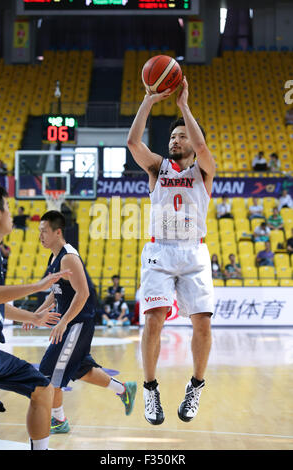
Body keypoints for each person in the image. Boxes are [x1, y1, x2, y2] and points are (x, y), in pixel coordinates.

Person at [127, 76, 215, 425]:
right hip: (159, 251)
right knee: (153, 320)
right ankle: (151, 390)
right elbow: (133, 141)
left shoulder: (203, 171)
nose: (175, 140)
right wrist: (149, 99)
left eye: (181, 136)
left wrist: (183, 107)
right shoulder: (157, 168)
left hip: (194, 252)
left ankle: (195, 386)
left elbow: (205, 149)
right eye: (172, 137)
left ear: (192, 144)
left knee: (203, 325)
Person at [33, 210, 137, 434]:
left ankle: (59, 421)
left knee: (49, 373)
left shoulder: (68, 257)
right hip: (71, 323)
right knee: (81, 368)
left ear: (57, 232)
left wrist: (63, 322)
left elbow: (82, 294)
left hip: (77, 323)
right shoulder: (54, 257)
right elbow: (57, 291)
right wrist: (37, 314)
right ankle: (124, 390)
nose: (40, 236)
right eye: (39, 232)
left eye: (44, 231)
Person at [0, 182, 71, 450]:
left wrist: (34, 317)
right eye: (9, 208)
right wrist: (39, 286)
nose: (13, 215)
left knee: (42, 389)